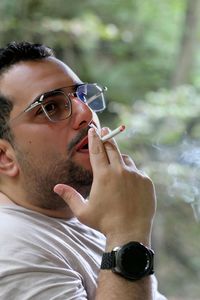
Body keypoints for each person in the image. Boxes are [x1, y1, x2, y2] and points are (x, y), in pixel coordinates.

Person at [0, 41, 167, 300]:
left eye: (81, 96)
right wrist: (128, 235)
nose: (86, 114)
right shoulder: (9, 244)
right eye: (51, 107)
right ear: (4, 157)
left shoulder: (89, 221)